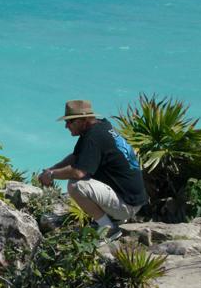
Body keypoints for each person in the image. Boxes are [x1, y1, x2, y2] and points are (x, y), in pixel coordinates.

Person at [38, 100, 147, 240]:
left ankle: (108, 228)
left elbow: (78, 172)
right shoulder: (100, 127)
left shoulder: (93, 137)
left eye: (70, 122)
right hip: (132, 199)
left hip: (127, 205)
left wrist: (52, 175)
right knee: (82, 178)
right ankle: (111, 219)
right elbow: (75, 157)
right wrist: (51, 169)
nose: (66, 126)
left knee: (76, 185)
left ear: (83, 120)